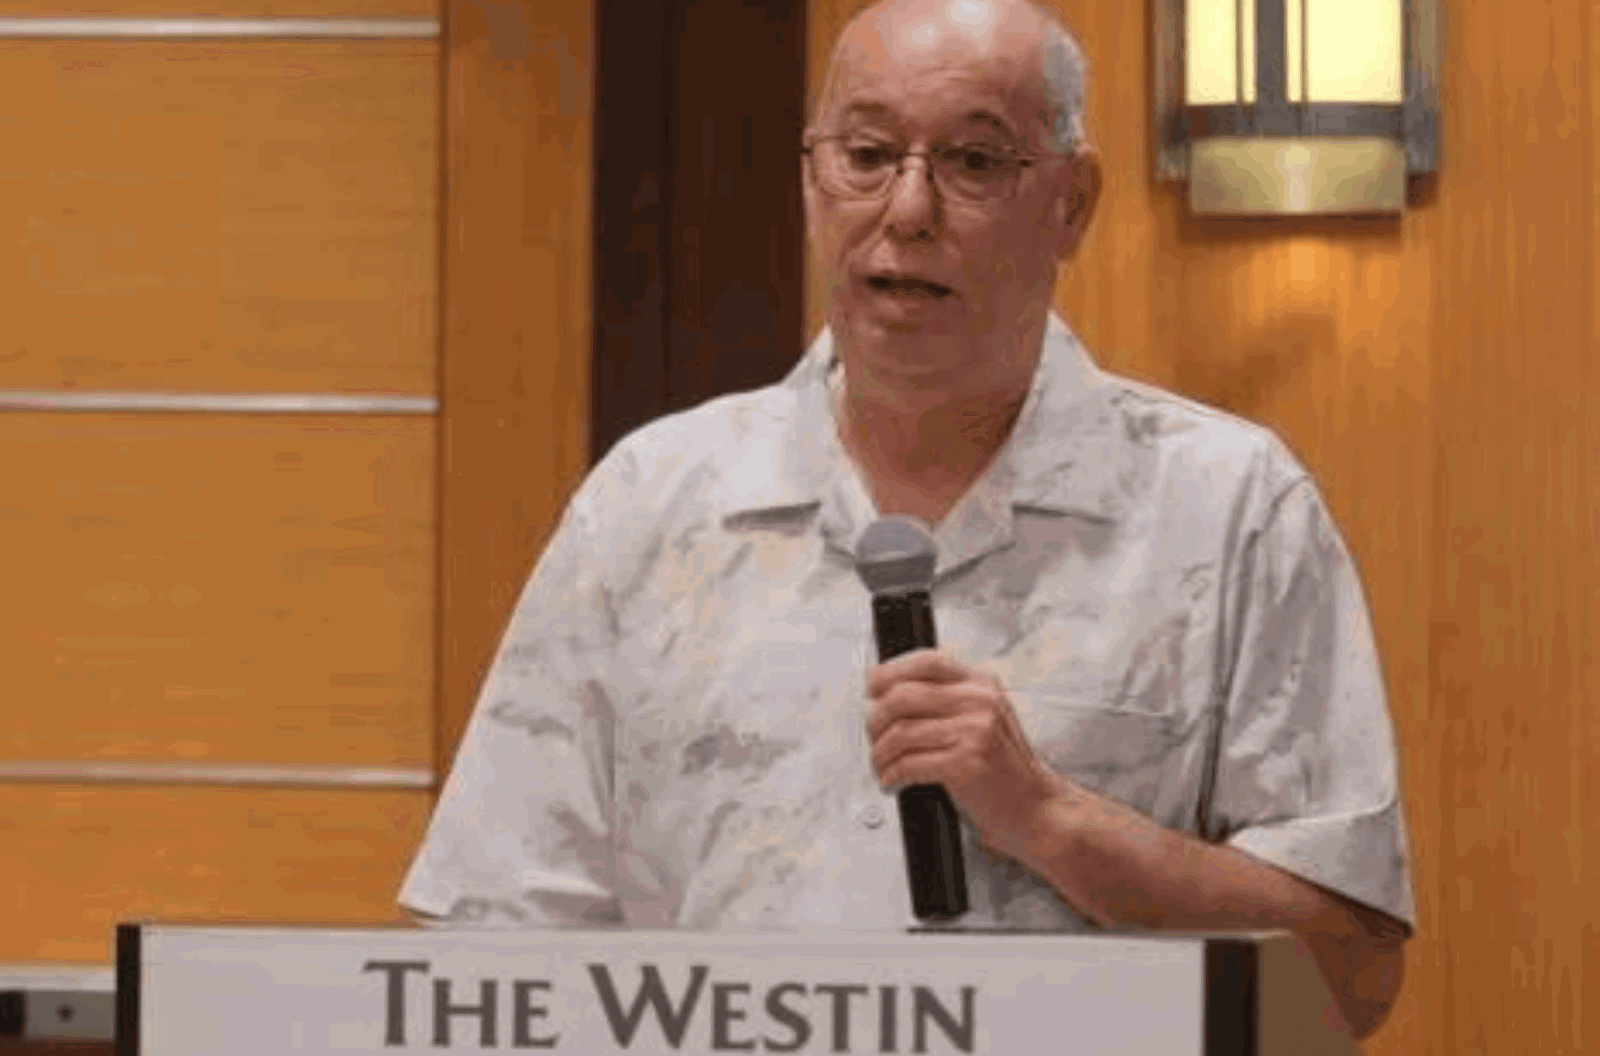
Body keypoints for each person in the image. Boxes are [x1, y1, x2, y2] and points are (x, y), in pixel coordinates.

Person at [399, 0, 1415, 1039]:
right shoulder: (653, 503)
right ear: (809, 179)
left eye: (975, 161)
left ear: (1072, 202)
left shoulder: (1229, 508)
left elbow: (1346, 981)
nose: (909, 207)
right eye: (868, 153)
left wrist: (1052, 821)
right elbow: (494, 951)